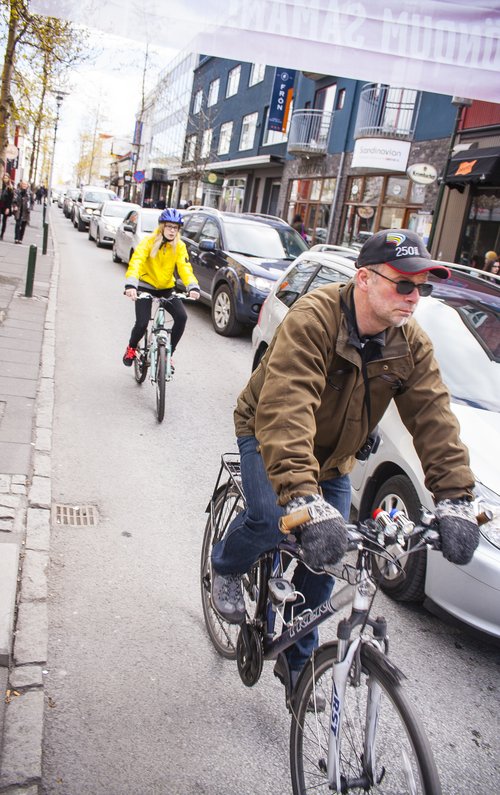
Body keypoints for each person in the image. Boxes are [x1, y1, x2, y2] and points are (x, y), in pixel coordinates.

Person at [210, 227, 479, 703]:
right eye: (403, 284)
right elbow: (287, 409)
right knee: (275, 519)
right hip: (267, 428)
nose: (414, 297)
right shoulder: (314, 317)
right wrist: (302, 500)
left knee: (328, 555)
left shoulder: (409, 342)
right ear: (363, 280)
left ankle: (298, 664)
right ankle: (227, 565)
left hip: (333, 456)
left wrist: (455, 496)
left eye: (422, 287)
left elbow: (434, 416)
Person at [122, 208, 200, 366]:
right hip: (145, 285)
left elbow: (185, 268)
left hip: (166, 288)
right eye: (169, 226)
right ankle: (131, 347)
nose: (172, 231)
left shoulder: (180, 246)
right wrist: (131, 284)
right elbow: (136, 261)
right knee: (142, 322)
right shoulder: (149, 241)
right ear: (162, 226)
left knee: (182, 317)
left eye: (175, 228)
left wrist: (193, 287)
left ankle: (168, 353)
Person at [0, 174, 14, 240]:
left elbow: (10, 199)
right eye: (4, 178)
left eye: (6, 178)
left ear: (9, 179)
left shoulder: (10, 187)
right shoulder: (0, 185)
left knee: (4, 221)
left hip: (5, 205)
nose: (5, 179)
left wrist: (8, 208)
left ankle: (2, 234)